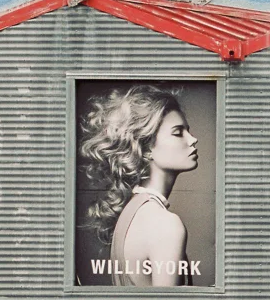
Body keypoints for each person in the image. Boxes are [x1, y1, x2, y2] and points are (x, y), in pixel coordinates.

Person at [80, 85, 200, 287]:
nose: (193, 139)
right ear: (145, 148)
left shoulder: (133, 212)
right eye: (178, 132)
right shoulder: (165, 224)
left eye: (188, 130)